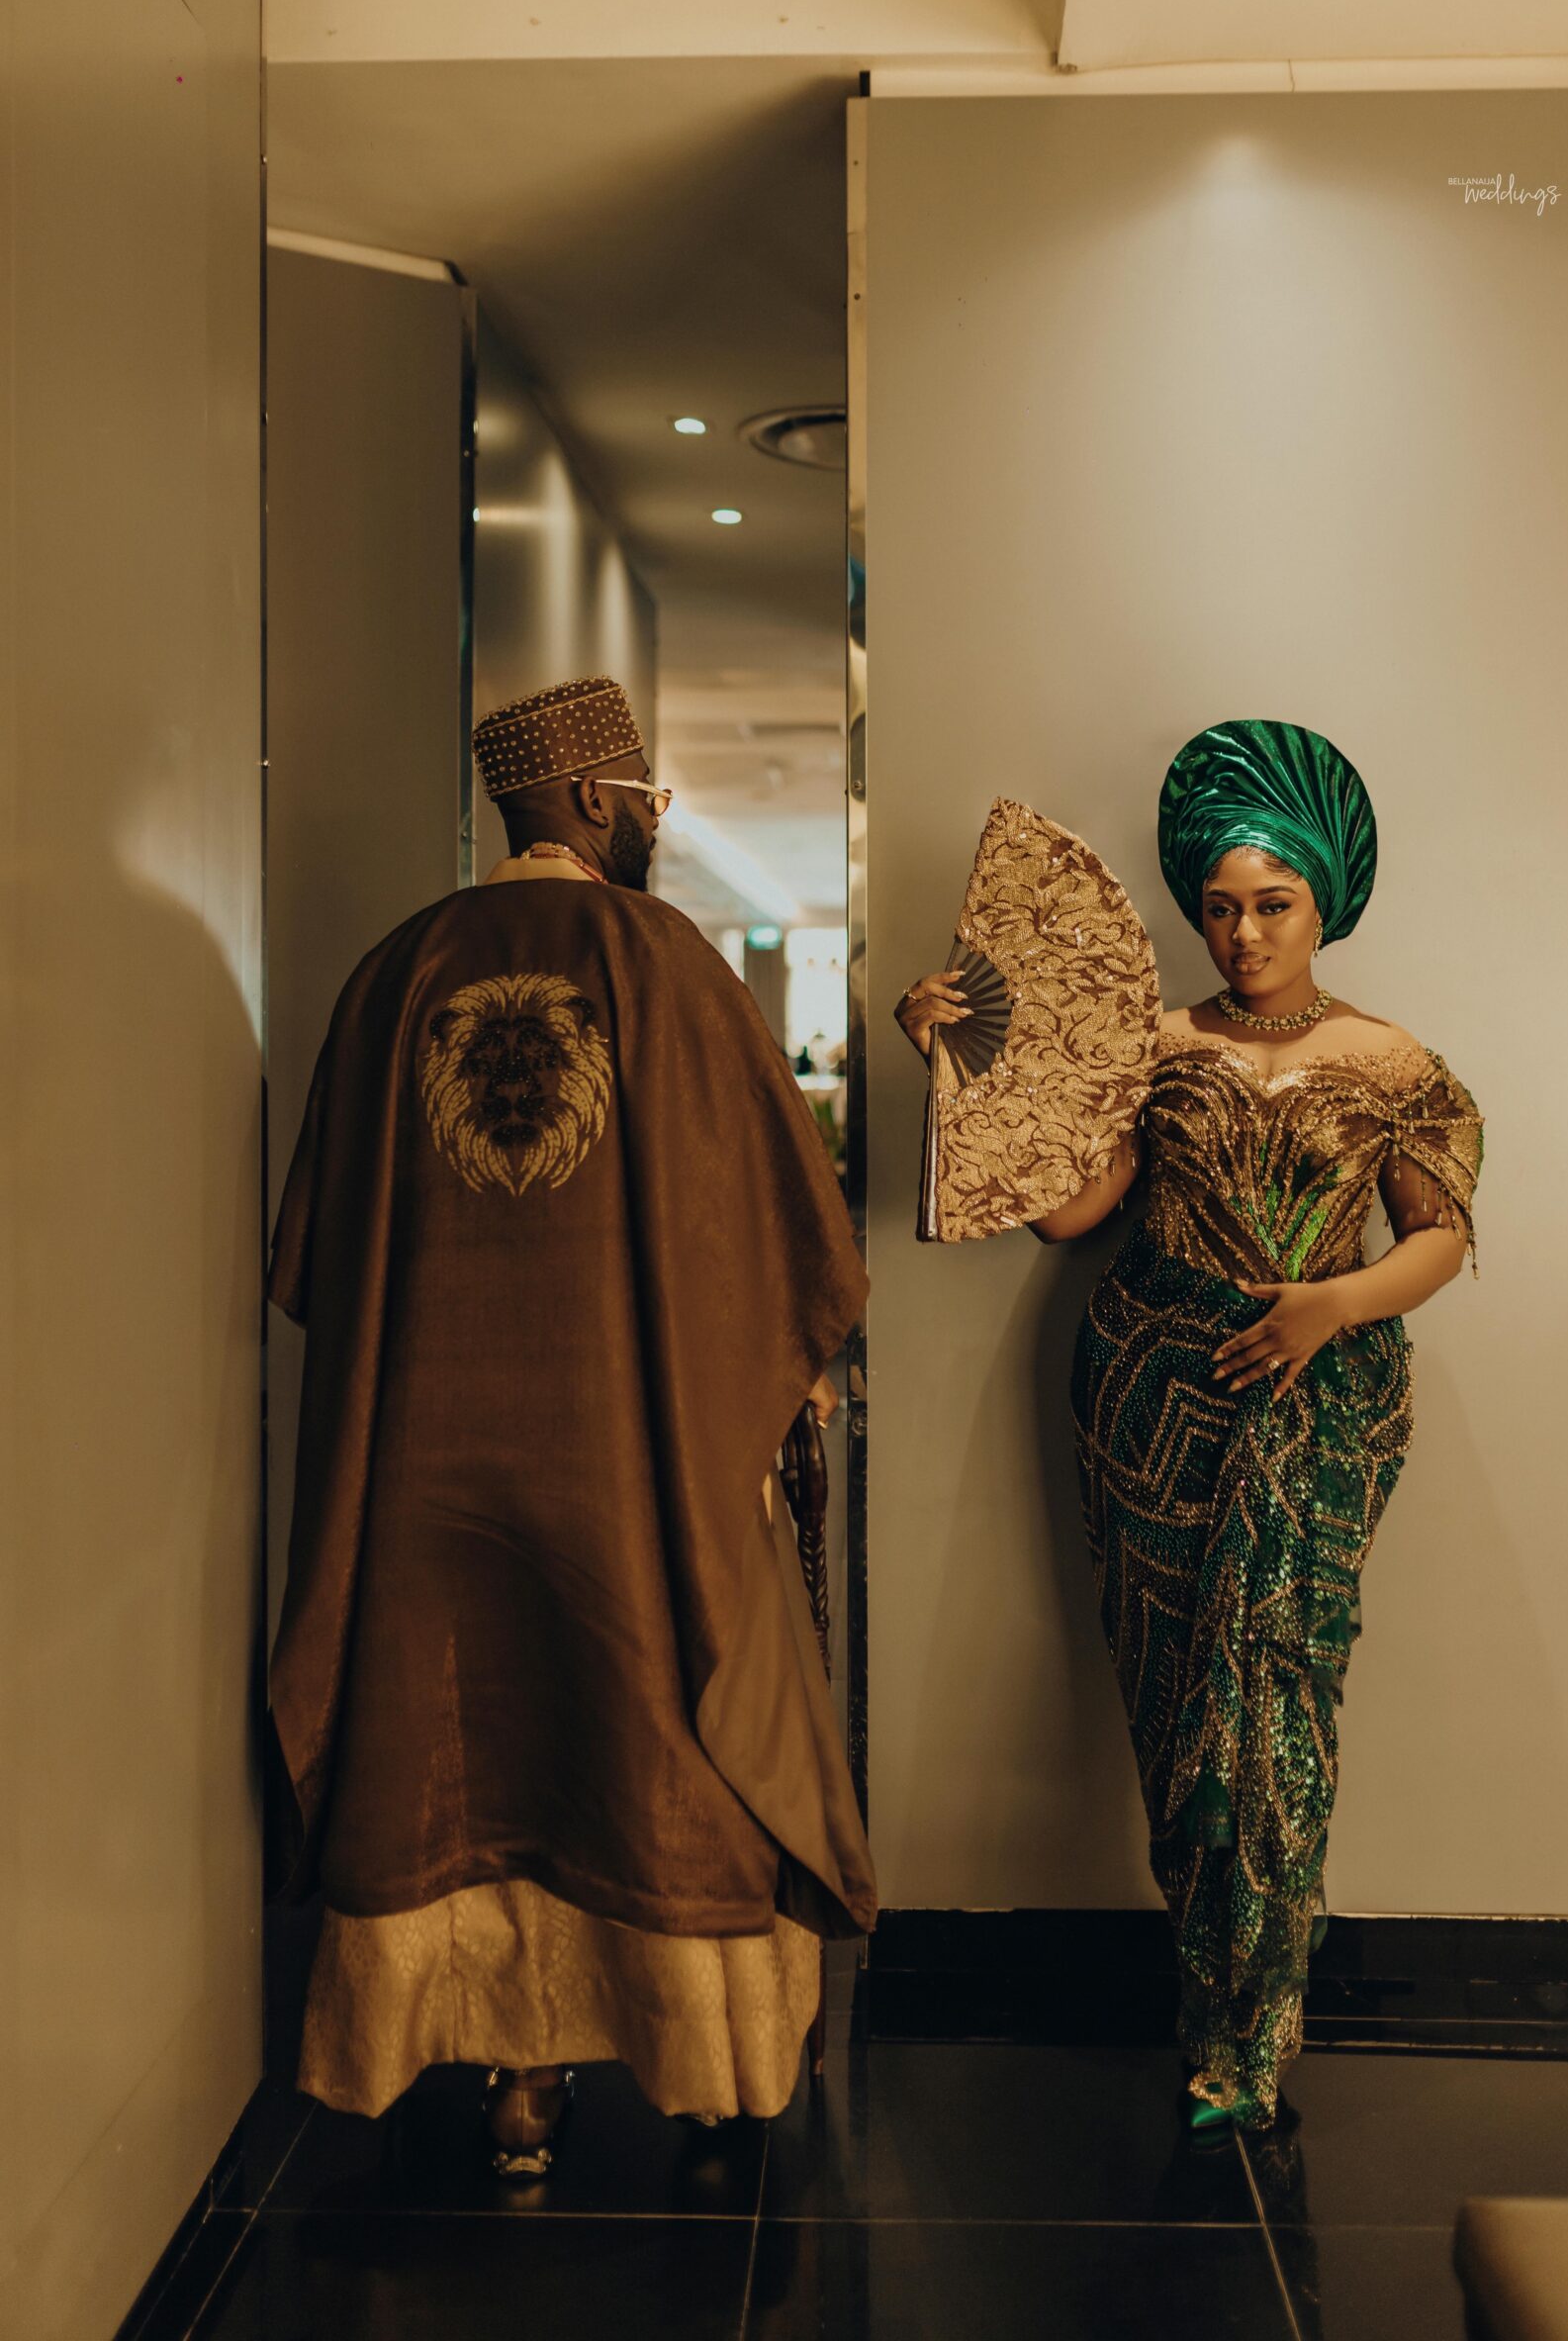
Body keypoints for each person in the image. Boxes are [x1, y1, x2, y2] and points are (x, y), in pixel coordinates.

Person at [269, 676, 874, 2172]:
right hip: (628, 1464)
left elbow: (318, 1265)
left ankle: (516, 2090)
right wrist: (768, 1388)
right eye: (649, 801)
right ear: (598, 801)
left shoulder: (393, 974)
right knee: (649, 1734)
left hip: (423, 1477)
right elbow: (770, 1241)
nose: (653, 825)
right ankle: (703, 2066)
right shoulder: (670, 968)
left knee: (455, 1736)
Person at [897, 718, 1481, 2132]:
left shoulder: (1395, 1063)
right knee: (1174, 1706)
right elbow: (1074, 1214)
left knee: (1277, 1694)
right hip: (1151, 1390)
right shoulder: (1147, 1048)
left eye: (1272, 904)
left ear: (1325, 904)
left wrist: (1331, 1306)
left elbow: (1441, 1239)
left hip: (1321, 1395)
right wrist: (963, 1057)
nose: (1243, 934)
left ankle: (1257, 2025)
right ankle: (1207, 2002)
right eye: (1220, 908)